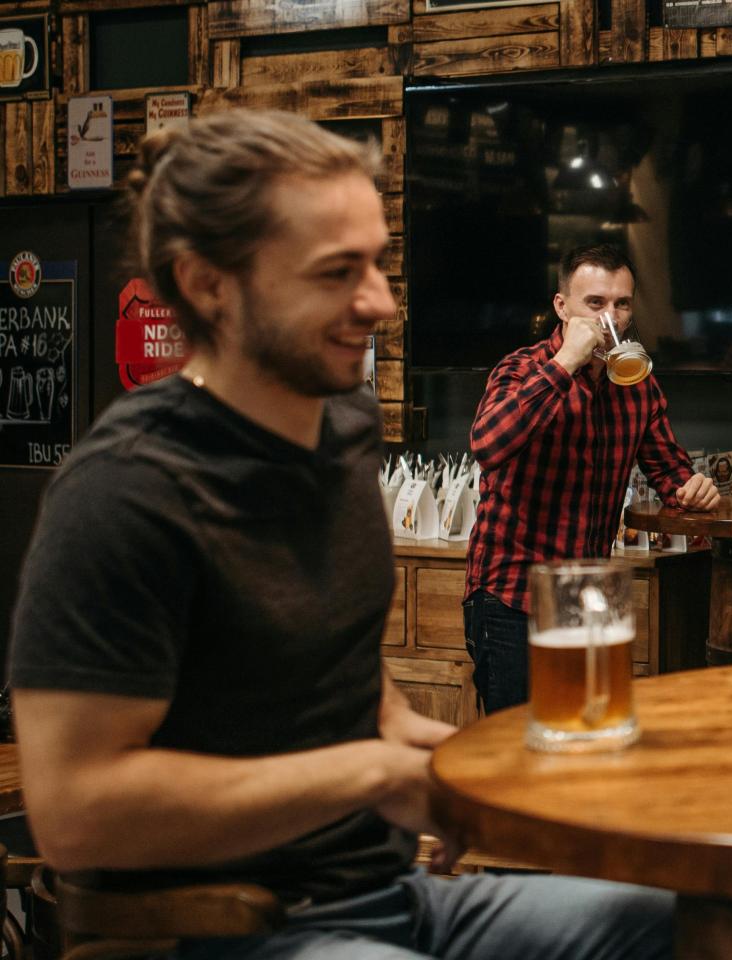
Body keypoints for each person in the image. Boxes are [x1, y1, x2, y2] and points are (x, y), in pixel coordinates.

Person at [7, 109, 672, 960]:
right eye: (336, 273)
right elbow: (74, 814)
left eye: (379, 265)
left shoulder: (343, 430)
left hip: (399, 892)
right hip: (246, 924)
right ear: (208, 283)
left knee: (687, 921)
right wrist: (372, 776)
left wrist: (479, 770)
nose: (380, 303)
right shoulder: (126, 492)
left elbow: (356, 693)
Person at [464, 244, 718, 713]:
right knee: (518, 749)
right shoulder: (520, 369)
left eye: (622, 304)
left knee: (584, 742)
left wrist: (694, 489)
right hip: (512, 598)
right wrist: (565, 365)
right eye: (595, 303)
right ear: (562, 307)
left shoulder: (636, 383)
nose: (611, 318)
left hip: (589, 602)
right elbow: (487, 445)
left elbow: (670, 473)